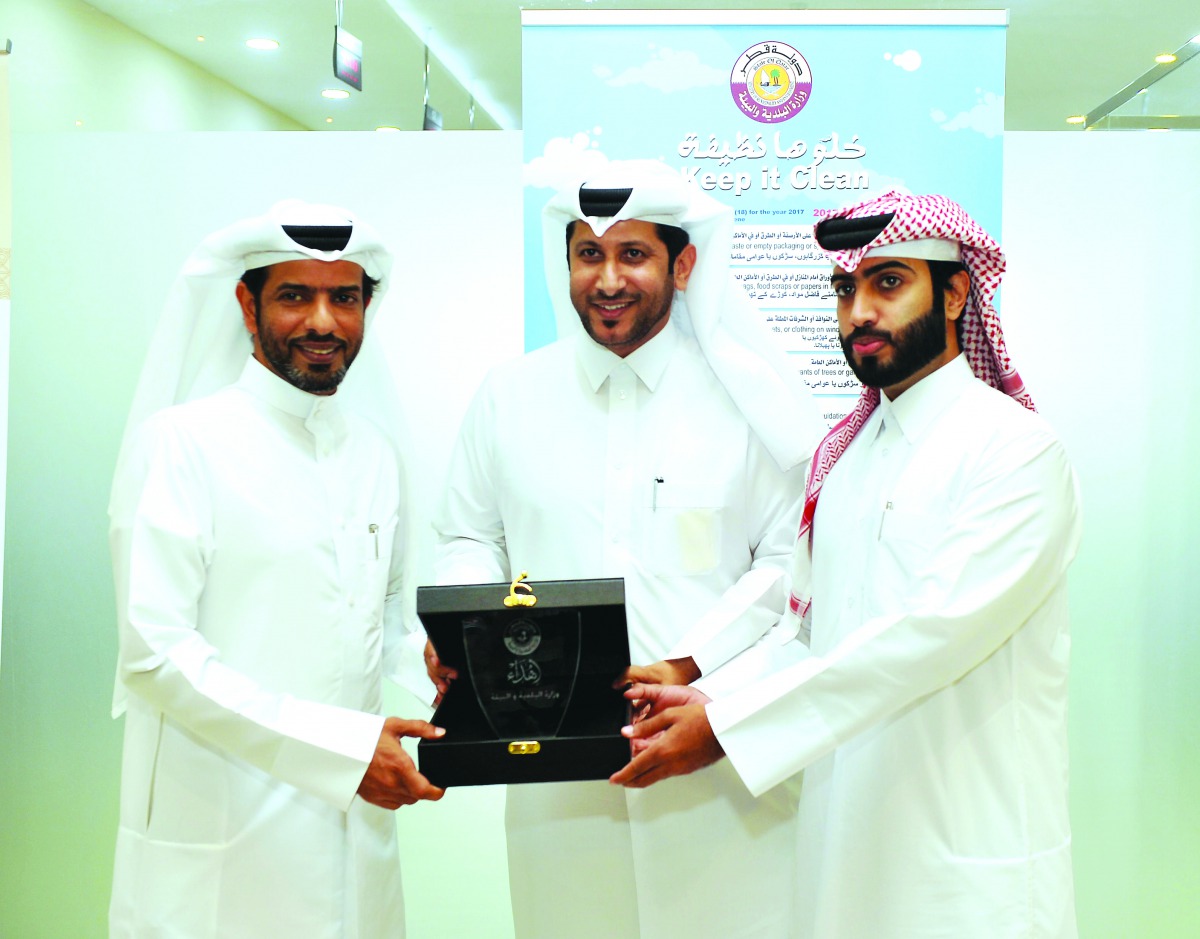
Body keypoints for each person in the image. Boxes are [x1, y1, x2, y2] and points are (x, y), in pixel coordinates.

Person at [613, 191, 1083, 939]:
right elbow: (810, 635)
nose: (860, 311)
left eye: (888, 282)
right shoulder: (847, 457)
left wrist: (728, 731)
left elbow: (925, 636)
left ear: (955, 294)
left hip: (965, 866)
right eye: (845, 288)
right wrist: (709, 696)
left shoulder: (1016, 453)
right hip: (842, 855)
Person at [431, 161, 821, 938]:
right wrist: (465, 631)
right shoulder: (509, 397)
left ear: (684, 264)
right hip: (556, 781)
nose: (608, 279)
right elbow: (469, 536)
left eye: (632, 254)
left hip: (717, 764)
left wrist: (690, 665)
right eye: (589, 254)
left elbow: (790, 564)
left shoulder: (749, 402)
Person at [108, 201, 443, 938]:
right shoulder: (181, 444)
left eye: (344, 297)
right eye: (295, 295)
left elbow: (382, 623)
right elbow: (154, 653)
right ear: (246, 303)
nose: (323, 321)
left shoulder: (374, 453)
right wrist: (342, 751)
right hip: (224, 845)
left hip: (358, 841)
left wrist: (446, 670)